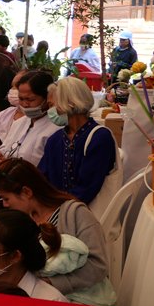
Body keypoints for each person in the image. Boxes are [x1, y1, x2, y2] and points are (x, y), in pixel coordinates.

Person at [0, 158, 114, 306]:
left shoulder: (74, 213)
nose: (4, 205)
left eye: (6, 198)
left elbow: (98, 265)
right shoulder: (22, 221)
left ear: (27, 192)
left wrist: (51, 284)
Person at [38, 76, 117, 210]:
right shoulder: (55, 140)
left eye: (51, 105)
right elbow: (41, 178)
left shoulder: (99, 137)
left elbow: (87, 189)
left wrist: (53, 208)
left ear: (71, 103)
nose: (49, 111)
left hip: (85, 213)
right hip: (56, 209)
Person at [0, 69, 57, 191]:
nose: (25, 104)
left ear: (47, 98)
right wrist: (0, 157)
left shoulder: (55, 130)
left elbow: (42, 174)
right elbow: (5, 150)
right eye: (21, 99)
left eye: (30, 100)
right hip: (5, 186)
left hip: (30, 191)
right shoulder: (21, 122)